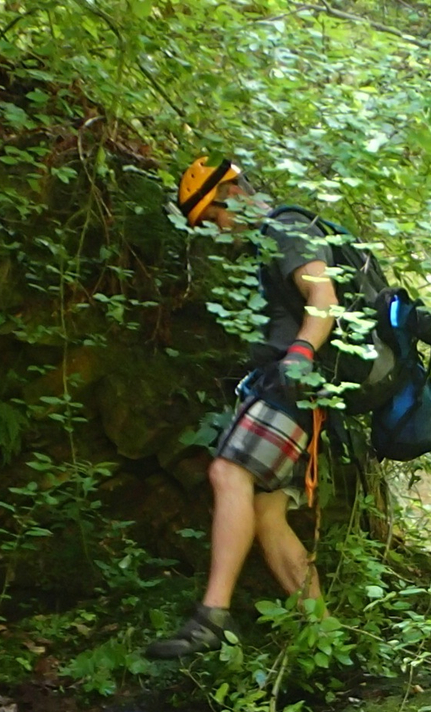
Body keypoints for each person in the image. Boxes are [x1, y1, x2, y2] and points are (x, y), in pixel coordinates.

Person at [145, 158, 371, 663]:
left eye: (213, 216)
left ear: (231, 191)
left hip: (294, 382)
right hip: (305, 388)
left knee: (228, 472)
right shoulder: (271, 238)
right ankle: (330, 645)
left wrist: (298, 358)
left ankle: (210, 619)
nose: (217, 228)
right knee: (268, 515)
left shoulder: (286, 227)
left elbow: (324, 297)